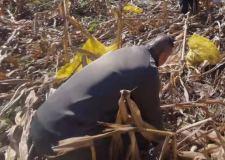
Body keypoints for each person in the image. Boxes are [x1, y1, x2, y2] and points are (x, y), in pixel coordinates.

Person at [30, 36, 175, 159]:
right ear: (163, 55)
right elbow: (152, 114)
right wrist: (164, 141)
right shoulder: (147, 69)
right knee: (136, 140)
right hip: (59, 142)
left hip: (40, 124)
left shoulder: (125, 51)